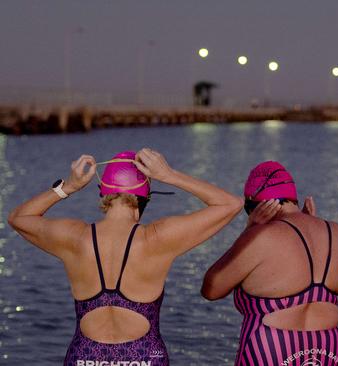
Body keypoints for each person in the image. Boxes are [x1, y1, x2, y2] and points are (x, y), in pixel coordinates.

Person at [8, 148, 243, 366]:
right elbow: (230, 204)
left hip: (85, 356)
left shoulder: (76, 238)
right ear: (145, 198)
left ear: (103, 195)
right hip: (145, 355)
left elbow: (19, 218)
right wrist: (170, 175)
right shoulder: (157, 239)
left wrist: (67, 187)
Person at [201, 161, 338, 366]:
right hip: (326, 349)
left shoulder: (261, 236)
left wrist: (249, 231)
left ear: (258, 207)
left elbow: (211, 288)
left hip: (271, 346)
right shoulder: (336, 233)